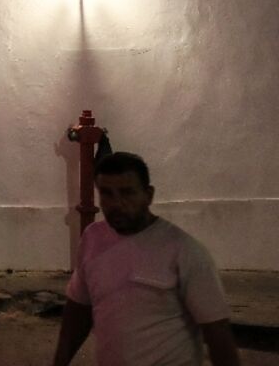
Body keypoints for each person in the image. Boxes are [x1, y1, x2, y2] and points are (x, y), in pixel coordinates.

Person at [52, 152, 239, 366]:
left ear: (148, 195)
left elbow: (217, 333)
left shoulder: (183, 251)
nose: (117, 203)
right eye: (107, 193)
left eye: (127, 193)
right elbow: (79, 308)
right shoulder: (93, 238)